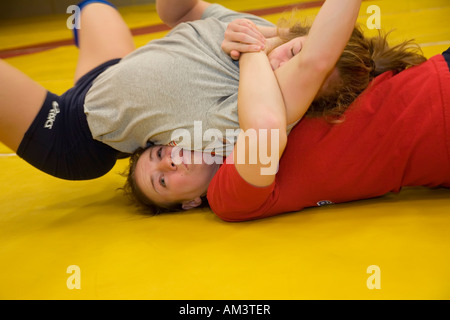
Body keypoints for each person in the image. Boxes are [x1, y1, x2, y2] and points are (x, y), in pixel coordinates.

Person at [128, 0, 433, 216]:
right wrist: (252, 49)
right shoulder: (228, 195)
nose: (166, 163)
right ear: (191, 203)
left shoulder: (235, 93)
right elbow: (312, 65)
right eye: (162, 181)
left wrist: (269, 40)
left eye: (158, 154)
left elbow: (311, 56)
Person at [0, 0, 275, 181]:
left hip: (70, 132)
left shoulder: (257, 105)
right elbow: (180, 12)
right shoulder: (257, 29)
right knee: (92, 9)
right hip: (111, 73)